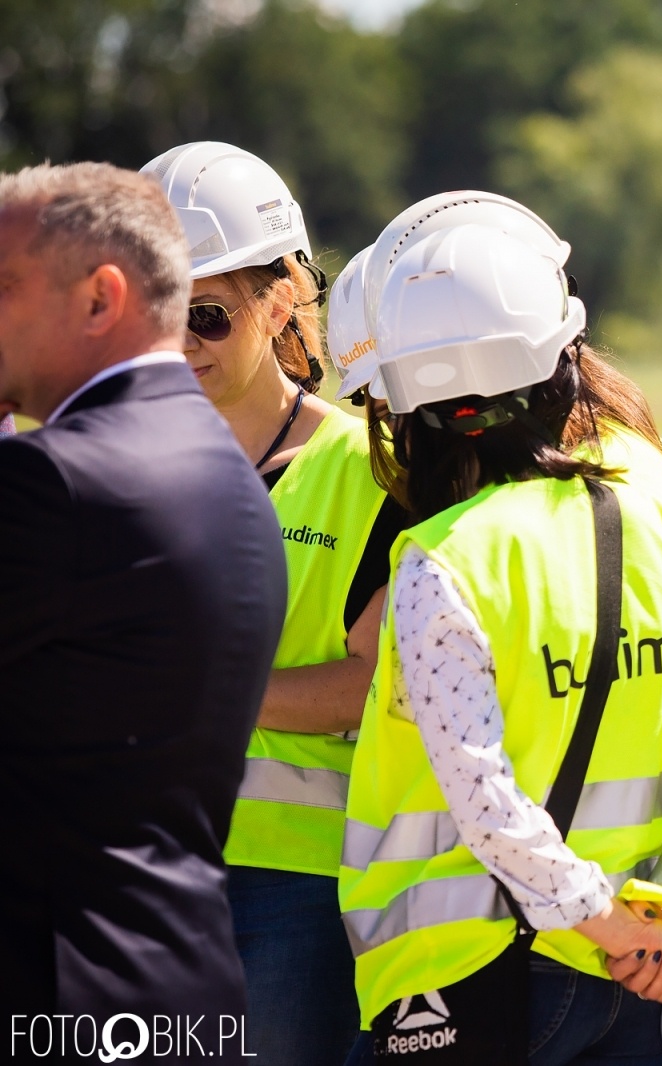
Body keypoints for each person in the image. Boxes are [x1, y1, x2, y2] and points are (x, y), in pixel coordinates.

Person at [338, 192, 662, 1065]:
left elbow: (484, 801)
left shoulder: (443, 560)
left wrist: (606, 924)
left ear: (410, 410)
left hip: (483, 978)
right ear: (564, 369)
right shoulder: (658, 516)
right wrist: (660, 922)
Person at [0, 162, 285, 1057]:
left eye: (5, 287)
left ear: (101, 298)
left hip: (53, 1000)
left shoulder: (53, 482)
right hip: (182, 991)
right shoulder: (227, 469)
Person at [141, 141, 411, 1064]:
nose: (180, 341)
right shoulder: (111, 462)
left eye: (207, 315)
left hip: (295, 889)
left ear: (283, 297)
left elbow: (378, 683)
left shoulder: (369, 471)